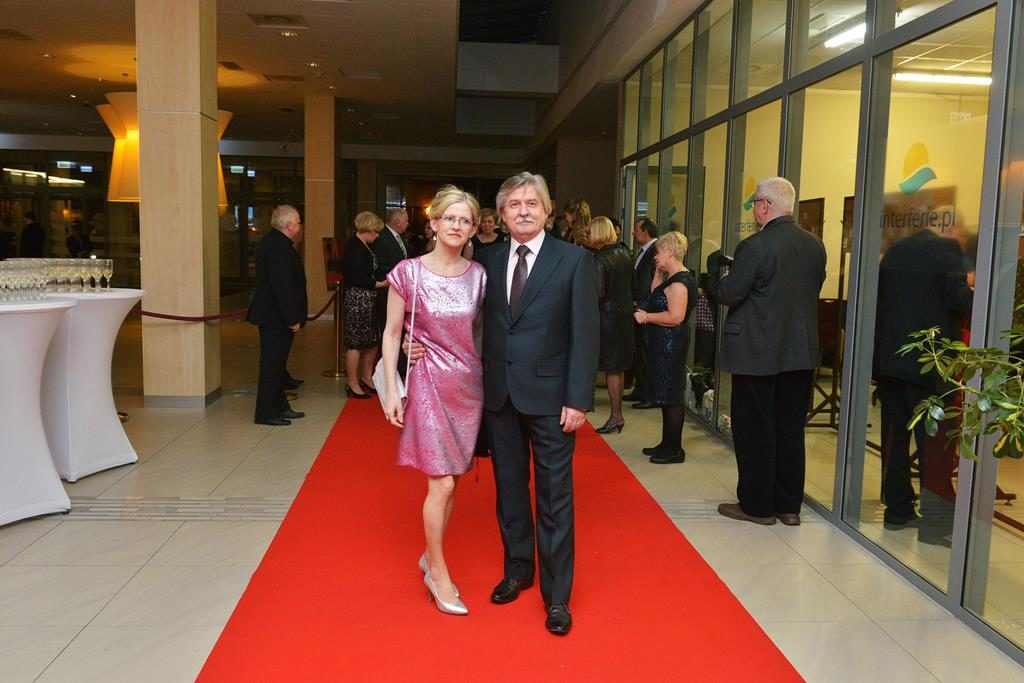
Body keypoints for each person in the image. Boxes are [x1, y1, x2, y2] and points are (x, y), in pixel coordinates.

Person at [476, 172, 598, 636]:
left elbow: (585, 333)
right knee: (509, 490)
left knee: (554, 498)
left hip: (552, 399)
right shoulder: (485, 260)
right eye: (514, 204)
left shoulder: (574, 260)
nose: (523, 210)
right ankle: (518, 569)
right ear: (501, 214)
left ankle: (557, 595)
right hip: (500, 395)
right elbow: (470, 322)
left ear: (547, 211)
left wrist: (578, 398)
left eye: (532, 203)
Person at [381, 185, 486, 616]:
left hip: (469, 388)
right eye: (450, 218)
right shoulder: (408, 272)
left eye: (465, 220)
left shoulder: (479, 276)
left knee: (453, 479)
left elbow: (483, 334)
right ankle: (437, 571)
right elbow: (391, 332)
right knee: (440, 483)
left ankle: (429, 553)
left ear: (473, 228)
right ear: (434, 222)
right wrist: (394, 388)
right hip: (427, 385)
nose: (456, 225)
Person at [714, 177, 826, 526]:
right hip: (800, 352)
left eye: (755, 204)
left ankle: (757, 506)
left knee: (755, 430)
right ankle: (788, 506)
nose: (754, 210)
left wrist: (719, 278)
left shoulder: (755, 246)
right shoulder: (815, 245)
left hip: (757, 351)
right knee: (790, 429)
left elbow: (731, 293)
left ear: (764, 206)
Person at [874, 221, 972, 546]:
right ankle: (936, 525)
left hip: (892, 361)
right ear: (949, 228)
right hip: (930, 364)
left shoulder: (894, 252)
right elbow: (959, 300)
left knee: (894, 439)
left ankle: (897, 510)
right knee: (934, 445)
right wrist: (973, 289)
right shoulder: (947, 250)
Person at [634, 231, 697, 463]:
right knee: (665, 393)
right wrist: (659, 271)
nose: (655, 256)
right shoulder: (672, 277)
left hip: (671, 345)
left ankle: (674, 450)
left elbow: (675, 317)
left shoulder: (680, 282)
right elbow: (654, 295)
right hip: (664, 343)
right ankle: (667, 443)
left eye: (659, 252)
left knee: (671, 396)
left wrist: (647, 317)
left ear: (670, 252)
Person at [246, 204, 308, 426]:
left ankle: (280, 405)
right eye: (298, 222)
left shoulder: (276, 242)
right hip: (275, 316)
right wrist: (292, 317)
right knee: (271, 366)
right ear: (289, 225)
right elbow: (281, 286)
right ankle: (265, 412)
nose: (300, 226)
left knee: (277, 365)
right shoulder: (277, 246)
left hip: (274, 315)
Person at [589, 216, 635, 435]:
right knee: (618, 367)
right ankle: (617, 414)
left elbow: (597, 293)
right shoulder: (625, 254)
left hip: (607, 318)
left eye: (590, 232)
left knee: (611, 367)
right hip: (624, 316)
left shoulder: (600, 258)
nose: (588, 236)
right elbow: (633, 286)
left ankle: (616, 415)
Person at [342, 211, 388, 399]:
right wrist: (381, 284)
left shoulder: (364, 246)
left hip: (369, 299)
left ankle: (366, 377)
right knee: (356, 342)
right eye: (375, 232)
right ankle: (352, 382)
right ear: (367, 229)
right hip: (357, 300)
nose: (376, 236)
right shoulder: (354, 247)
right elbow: (358, 277)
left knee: (372, 341)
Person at [626, 218, 659, 407]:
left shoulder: (655, 251)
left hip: (647, 309)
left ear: (645, 232)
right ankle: (640, 389)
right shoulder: (643, 251)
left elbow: (651, 282)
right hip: (639, 308)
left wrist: (643, 306)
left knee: (646, 352)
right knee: (639, 350)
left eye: (636, 230)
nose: (633, 233)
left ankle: (648, 393)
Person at [372, 207, 410, 338]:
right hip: (387, 288)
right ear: (397, 222)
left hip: (400, 288)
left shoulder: (401, 236)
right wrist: (398, 276)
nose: (408, 224)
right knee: (387, 324)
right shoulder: (382, 237)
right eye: (406, 221)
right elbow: (381, 264)